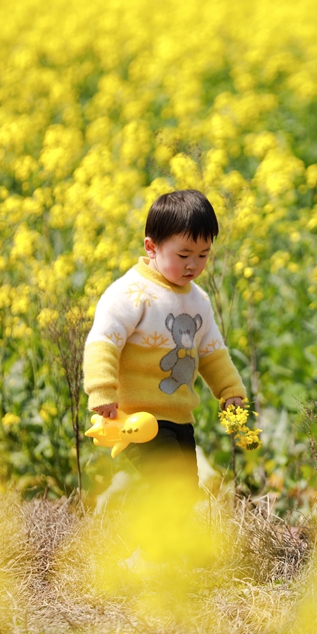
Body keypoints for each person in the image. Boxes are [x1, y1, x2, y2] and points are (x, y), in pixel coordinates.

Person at [83, 189, 246, 486]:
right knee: (172, 485)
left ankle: (143, 528)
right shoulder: (131, 294)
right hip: (137, 419)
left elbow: (212, 352)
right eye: (183, 255)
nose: (193, 265)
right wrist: (102, 390)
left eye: (203, 255)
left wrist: (229, 389)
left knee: (182, 491)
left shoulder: (199, 300)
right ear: (151, 247)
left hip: (180, 417)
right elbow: (102, 342)